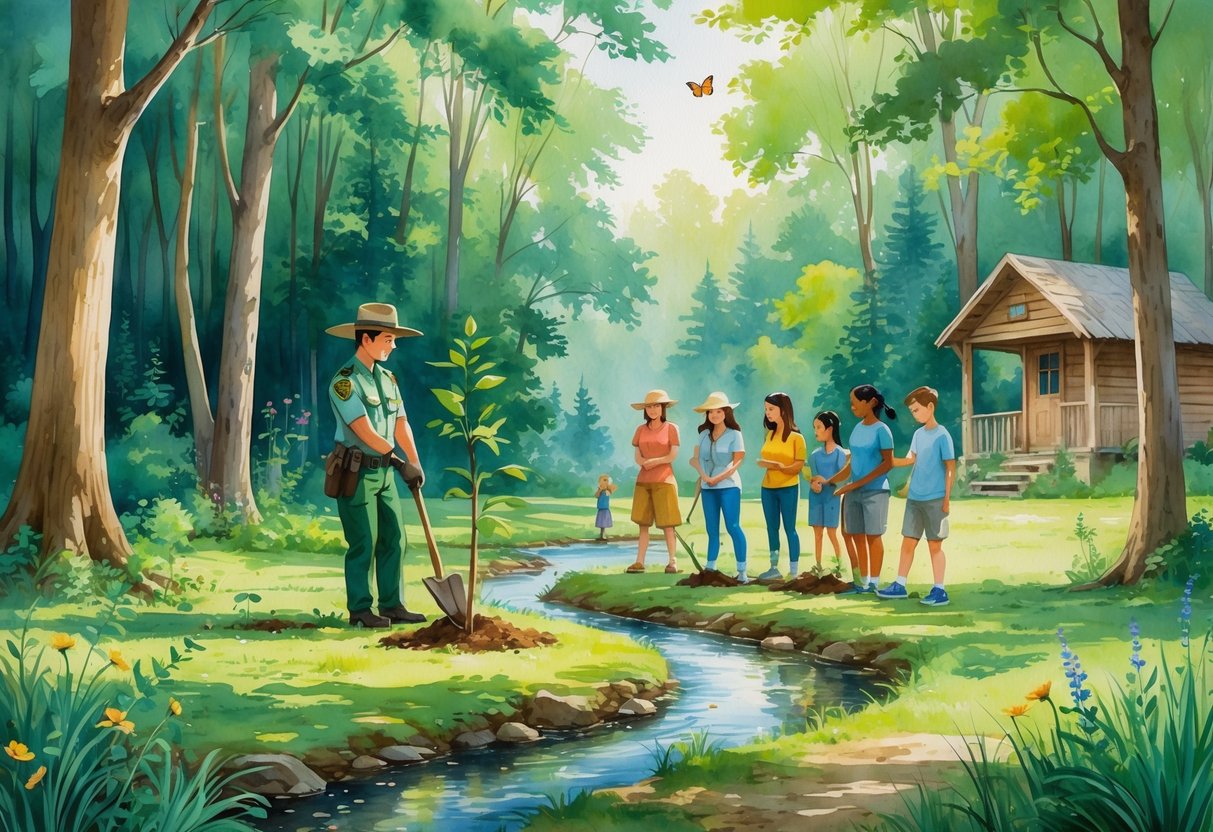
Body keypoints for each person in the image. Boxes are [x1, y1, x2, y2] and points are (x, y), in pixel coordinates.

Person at [325, 302, 428, 628]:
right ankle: (360, 609)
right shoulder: (344, 382)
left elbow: (401, 423)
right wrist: (399, 462)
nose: (393, 346)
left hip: (385, 473)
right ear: (366, 339)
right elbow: (364, 431)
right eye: (387, 339)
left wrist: (414, 461)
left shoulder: (388, 379)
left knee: (395, 538)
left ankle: (392, 604)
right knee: (364, 541)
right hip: (356, 473)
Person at [877, 386, 956, 606]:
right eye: (912, 411)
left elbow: (950, 467)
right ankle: (899, 584)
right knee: (908, 542)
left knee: (935, 545)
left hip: (935, 498)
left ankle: (939, 590)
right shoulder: (918, 435)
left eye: (917, 410)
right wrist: (888, 460)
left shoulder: (942, 435)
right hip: (915, 498)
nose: (914, 415)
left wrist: (947, 498)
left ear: (930, 407)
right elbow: (910, 459)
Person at [826, 385, 897, 593]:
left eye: (855, 402)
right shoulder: (858, 428)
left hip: (876, 491)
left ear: (871, 403)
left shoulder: (882, 430)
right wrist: (831, 481)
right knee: (856, 535)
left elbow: (888, 463)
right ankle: (862, 581)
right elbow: (853, 463)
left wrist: (855, 484)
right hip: (853, 493)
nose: (852, 406)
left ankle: (874, 582)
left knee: (873, 536)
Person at [687, 391, 747, 575]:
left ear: (726, 412)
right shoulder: (703, 434)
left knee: (732, 526)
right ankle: (710, 566)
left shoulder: (734, 434)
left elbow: (737, 462)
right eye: (711, 412)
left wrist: (716, 479)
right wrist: (704, 476)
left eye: (718, 411)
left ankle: (742, 571)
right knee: (711, 528)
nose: (714, 415)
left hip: (729, 485)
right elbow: (696, 459)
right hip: (707, 487)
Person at [627, 389, 681, 573]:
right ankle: (640, 561)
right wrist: (644, 462)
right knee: (643, 524)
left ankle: (672, 560)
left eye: (656, 406)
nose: (653, 410)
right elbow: (637, 455)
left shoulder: (671, 428)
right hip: (643, 481)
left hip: (664, 480)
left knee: (668, 524)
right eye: (649, 407)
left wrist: (655, 462)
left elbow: (672, 455)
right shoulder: (640, 430)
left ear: (663, 408)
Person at [756, 392, 805, 582]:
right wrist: (770, 465)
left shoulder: (796, 438)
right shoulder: (769, 434)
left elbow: (798, 466)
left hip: (788, 488)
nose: (767, 413)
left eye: (771, 409)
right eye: (766, 409)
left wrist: (779, 466)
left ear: (783, 410)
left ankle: (794, 570)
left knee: (789, 528)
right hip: (767, 488)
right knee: (771, 528)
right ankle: (774, 568)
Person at [806, 411, 847, 572]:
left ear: (830, 429)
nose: (815, 431)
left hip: (831, 497)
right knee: (817, 534)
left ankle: (840, 565)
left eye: (819, 427)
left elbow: (842, 478)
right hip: (816, 497)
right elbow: (812, 477)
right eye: (814, 427)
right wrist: (813, 484)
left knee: (831, 532)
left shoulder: (840, 454)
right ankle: (818, 565)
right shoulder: (815, 455)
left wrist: (827, 481)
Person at [594, 474, 617, 541]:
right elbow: (596, 496)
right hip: (600, 508)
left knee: (603, 523)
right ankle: (601, 535)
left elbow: (611, 490)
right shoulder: (600, 491)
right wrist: (599, 490)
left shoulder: (607, 491)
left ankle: (603, 536)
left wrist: (607, 486)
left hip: (605, 509)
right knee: (601, 523)